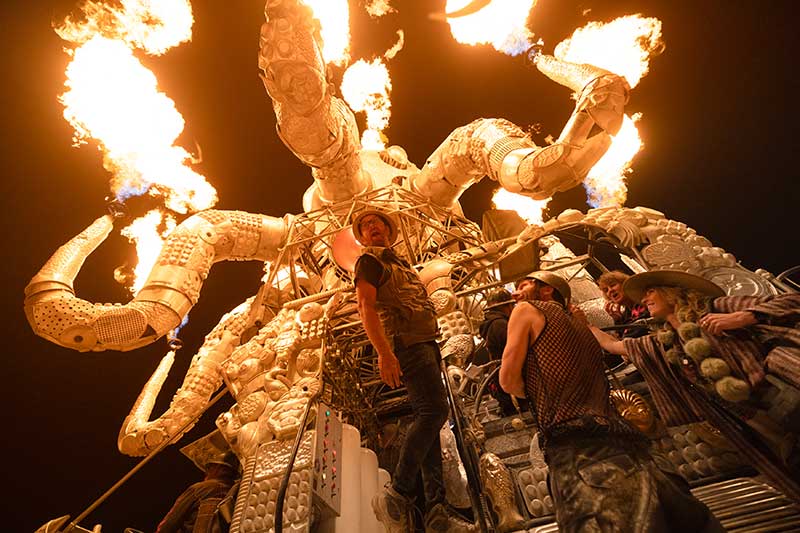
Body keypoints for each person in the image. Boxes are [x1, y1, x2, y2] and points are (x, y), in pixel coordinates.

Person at [500, 271, 723, 532]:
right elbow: (613, 349)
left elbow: (507, 380)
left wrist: (536, 389)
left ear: (547, 289)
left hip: (579, 451)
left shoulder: (527, 309)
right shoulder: (582, 325)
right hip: (633, 446)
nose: (515, 293)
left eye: (523, 285)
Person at [590, 270, 800, 502]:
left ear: (670, 291)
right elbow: (614, 346)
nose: (644, 299)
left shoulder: (715, 307)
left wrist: (741, 317)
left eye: (650, 291)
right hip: (756, 420)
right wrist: (582, 323)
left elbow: (792, 300)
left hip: (787, 391)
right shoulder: (666, 341)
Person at [352, 208, 463, 532]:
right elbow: (365, 307)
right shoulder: (369, 262)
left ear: (388, 230)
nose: (373, 227)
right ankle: (399, 491)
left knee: (429, 417)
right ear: (361, 237)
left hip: (425, 342)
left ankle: (436, 507)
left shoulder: (397, 264)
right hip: (407, 345)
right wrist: (385, 354)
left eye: (378, 223)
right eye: (366, 226)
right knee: (433, 413)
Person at [156, 452, 240, 533]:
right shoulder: (237, 494)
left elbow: (170, 522)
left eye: (209, 468)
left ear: (218, 468)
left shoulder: (200, 488)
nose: (206, 473)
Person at [477, 288, 527, 416]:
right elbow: (514, 348)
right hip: (509, 374)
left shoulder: (492, 324)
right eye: (511, 305)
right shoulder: (500, 324)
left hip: (501, 375)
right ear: (506, 307)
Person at [597, 270, 650, 339]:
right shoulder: (626, 313)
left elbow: (636, 333)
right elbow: (622, 336)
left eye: (613, 285)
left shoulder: (643, 301)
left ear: (625, 284)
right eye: (606, 290)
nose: (610, 290)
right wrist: (617, 320)